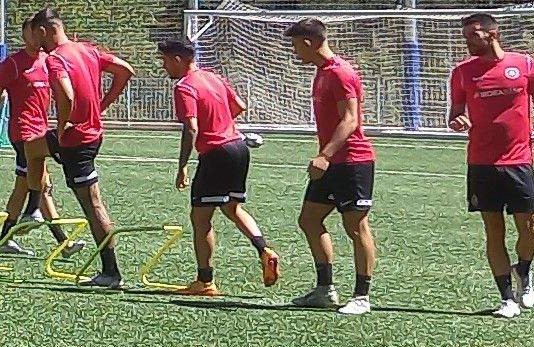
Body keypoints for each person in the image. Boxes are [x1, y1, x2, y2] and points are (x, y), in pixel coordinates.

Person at [448, 13, 534, 318]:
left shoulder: (525, 65)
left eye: (472, 35)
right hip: (481, 163)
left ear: (491, 34)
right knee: (494, 231)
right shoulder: (462, 72)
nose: (467, 42)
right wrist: (457, 121)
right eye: (465, 36)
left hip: (519, 162)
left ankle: (523, 270)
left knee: (531, 231)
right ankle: (506, 300)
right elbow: (455, 113)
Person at [161, 37, 280, 296]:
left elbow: (191, 127)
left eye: (166, 61)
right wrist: (220, 122)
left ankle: (205, 281)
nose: (164, 67)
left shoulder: (184, 86)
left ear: (178, 60)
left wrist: (182, 166)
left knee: (201, 218)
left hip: (216, 153)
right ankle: (264, 250)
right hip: (238, 147)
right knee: (232, 207)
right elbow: (240, 106)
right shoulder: (214, 78)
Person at [38, 10, 132, 288]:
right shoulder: (87, 50)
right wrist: (102, 105)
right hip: (91, 134)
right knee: (30, 153)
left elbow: (66, 94)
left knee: (93, 205)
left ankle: (111, 271)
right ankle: (33, 202)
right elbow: (125, 70)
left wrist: (62, 125)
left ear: (44, 31)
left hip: (77, 139)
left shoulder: (56, 59)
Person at [292, 19, 379, 315]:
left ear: (308, 42)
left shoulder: (340, 73)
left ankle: (361, 297)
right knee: (309, 219)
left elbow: (350, 120)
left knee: (356, 227)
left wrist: (325, 155)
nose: (293, 51)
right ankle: (325, 289)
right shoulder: (321, 73)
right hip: (332, 163)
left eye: (295, 44)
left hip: (352, 161)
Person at [0, 11, 60, 257]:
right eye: (29, 31)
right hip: (22, 130)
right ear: (25, 35)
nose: (34, 37)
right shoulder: (12, 63)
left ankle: (8, 238)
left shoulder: (49, 60)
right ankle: (50, 230)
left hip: (41, 129)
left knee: (24, 185)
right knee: (39, 181)